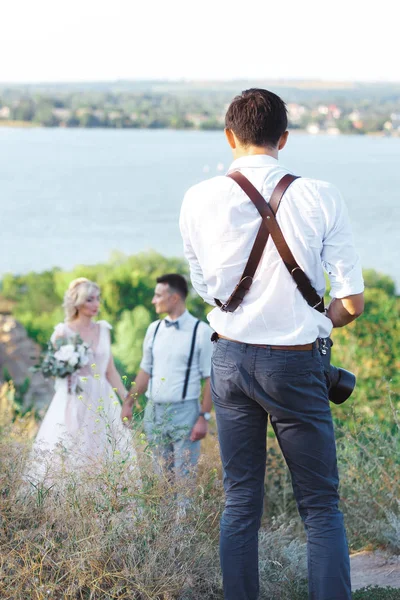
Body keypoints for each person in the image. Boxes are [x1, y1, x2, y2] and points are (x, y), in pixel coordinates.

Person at [179, 88, 365, 600]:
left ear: (229, 136)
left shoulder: (198, 198)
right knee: (321, 507)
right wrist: (316, 323)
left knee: (240, 502)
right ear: (284, 138)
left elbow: (205, 287)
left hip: (230, 362)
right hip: (295, 366)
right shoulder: (321, 195)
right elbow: (352, 301)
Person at [29, 277, 137, 480]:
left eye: (97, 299)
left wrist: (126, 397)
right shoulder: (62, 332)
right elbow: (53, 369)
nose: (96, 304)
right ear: (76, 302)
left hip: (102, 398)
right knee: (70, 449)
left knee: (106, 448)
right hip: (74, 398)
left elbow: (110, 370)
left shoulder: (103, 329)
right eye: (89, 299)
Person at [121, 273, 213, 479]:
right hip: (154, 411)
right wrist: (128, 402)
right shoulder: (154, 329)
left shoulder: (201, 331)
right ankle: (164, 513)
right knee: (159, 479)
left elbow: (211, 379)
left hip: (186, 411)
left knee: (184, 479)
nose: (154, 300)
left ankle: (184, 513)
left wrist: (203, 417)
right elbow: (145, 370)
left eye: (158, 295)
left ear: (174, 298)